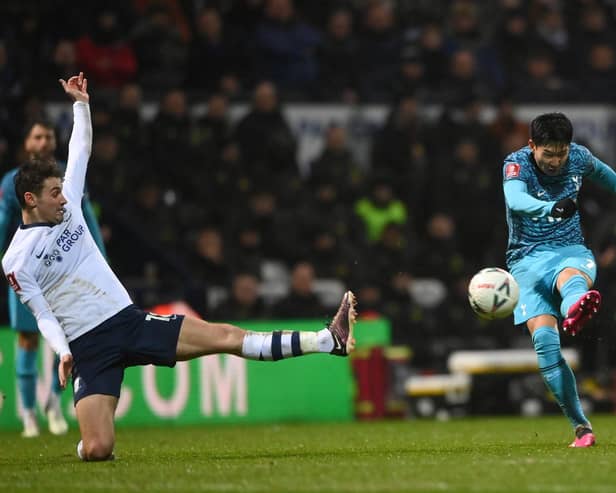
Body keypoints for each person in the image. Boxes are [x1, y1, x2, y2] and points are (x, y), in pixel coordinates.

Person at [1, 73, 357, 461]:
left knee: (225, 337)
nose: (66, 200)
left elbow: (81, 147)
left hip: (127, 322)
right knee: (99, 449)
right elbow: (41, 315)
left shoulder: (69, 199)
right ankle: (85, 444)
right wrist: (62, 350)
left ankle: (327, 340)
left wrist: (81, 104)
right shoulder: (16, 260)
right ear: (31, 199)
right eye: (55, 194)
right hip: (88, 348)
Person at [502, 112, 616, 448]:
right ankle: (582, 428)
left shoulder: (579, 157)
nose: (555, 161)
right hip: (525, 259)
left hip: (570, 251)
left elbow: (609, 178)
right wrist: (550, 207)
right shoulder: (516, 164)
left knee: (569, 278)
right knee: (546, 345)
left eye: (560, 153)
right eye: (548, 153)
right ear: (532, 145)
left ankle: (576, 306)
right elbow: (515, 200)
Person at [0, 116, 107, 437]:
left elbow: (87, 220)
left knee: (67, 340)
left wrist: (102, 257)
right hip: (29, 272)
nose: (43, 142)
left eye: (47, 137)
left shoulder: (65, 176)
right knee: (28, 338)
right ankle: (29, 414)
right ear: (26, 144)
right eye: (37, 137)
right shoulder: (11, 183)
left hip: (64, 274)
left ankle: (53, 404)